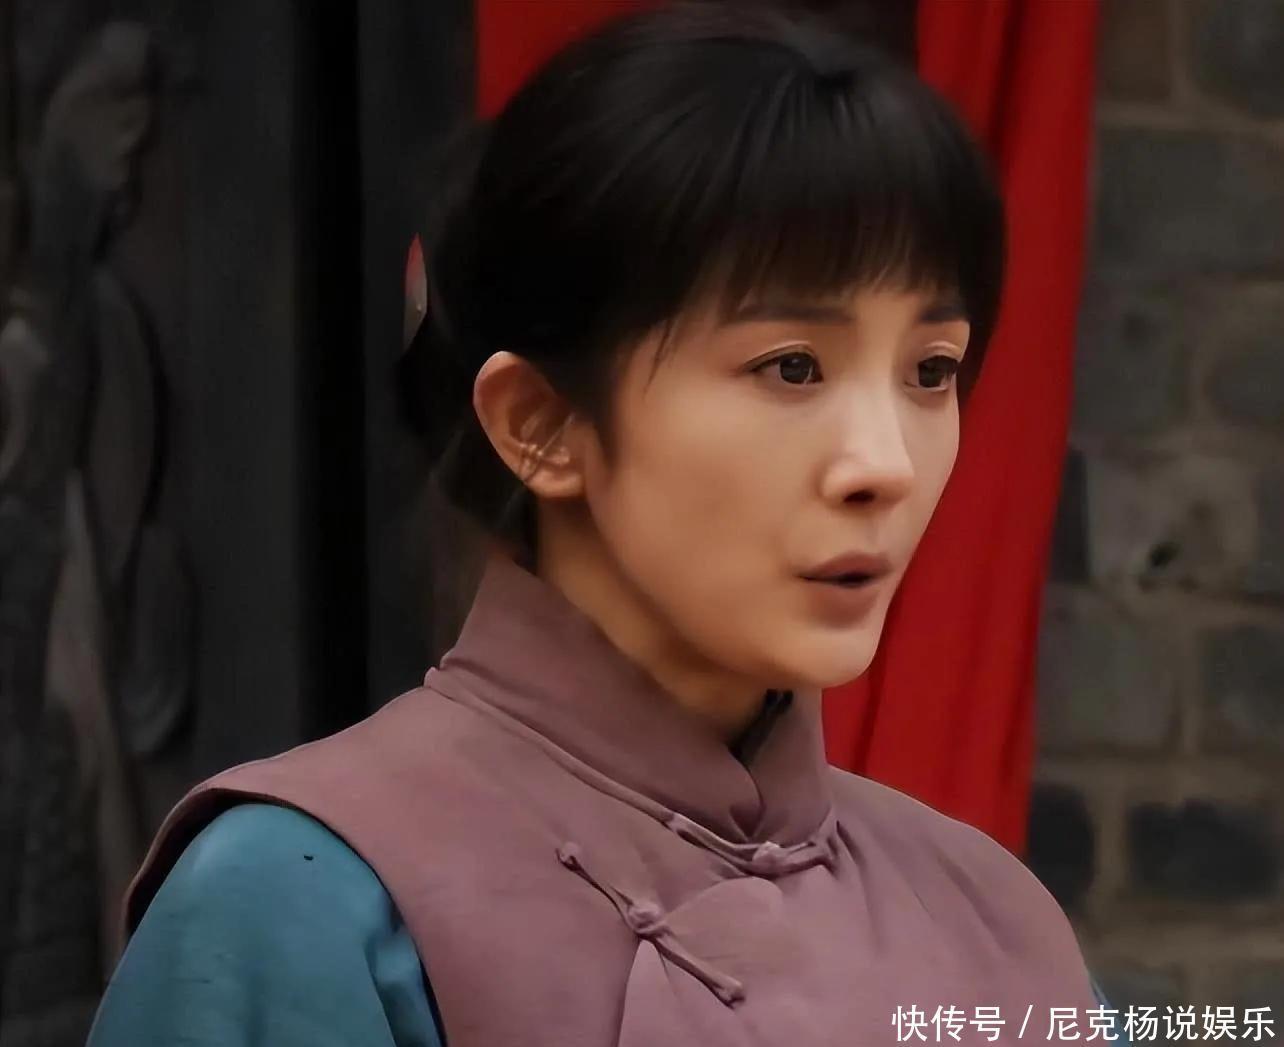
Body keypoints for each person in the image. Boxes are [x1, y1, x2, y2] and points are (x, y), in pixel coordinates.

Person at [88, 4, 1119, 1045]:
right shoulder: (305, 902)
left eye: (931, 371)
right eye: (792, 366)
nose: (885, 465)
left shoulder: (996, 922)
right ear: (540, 425)